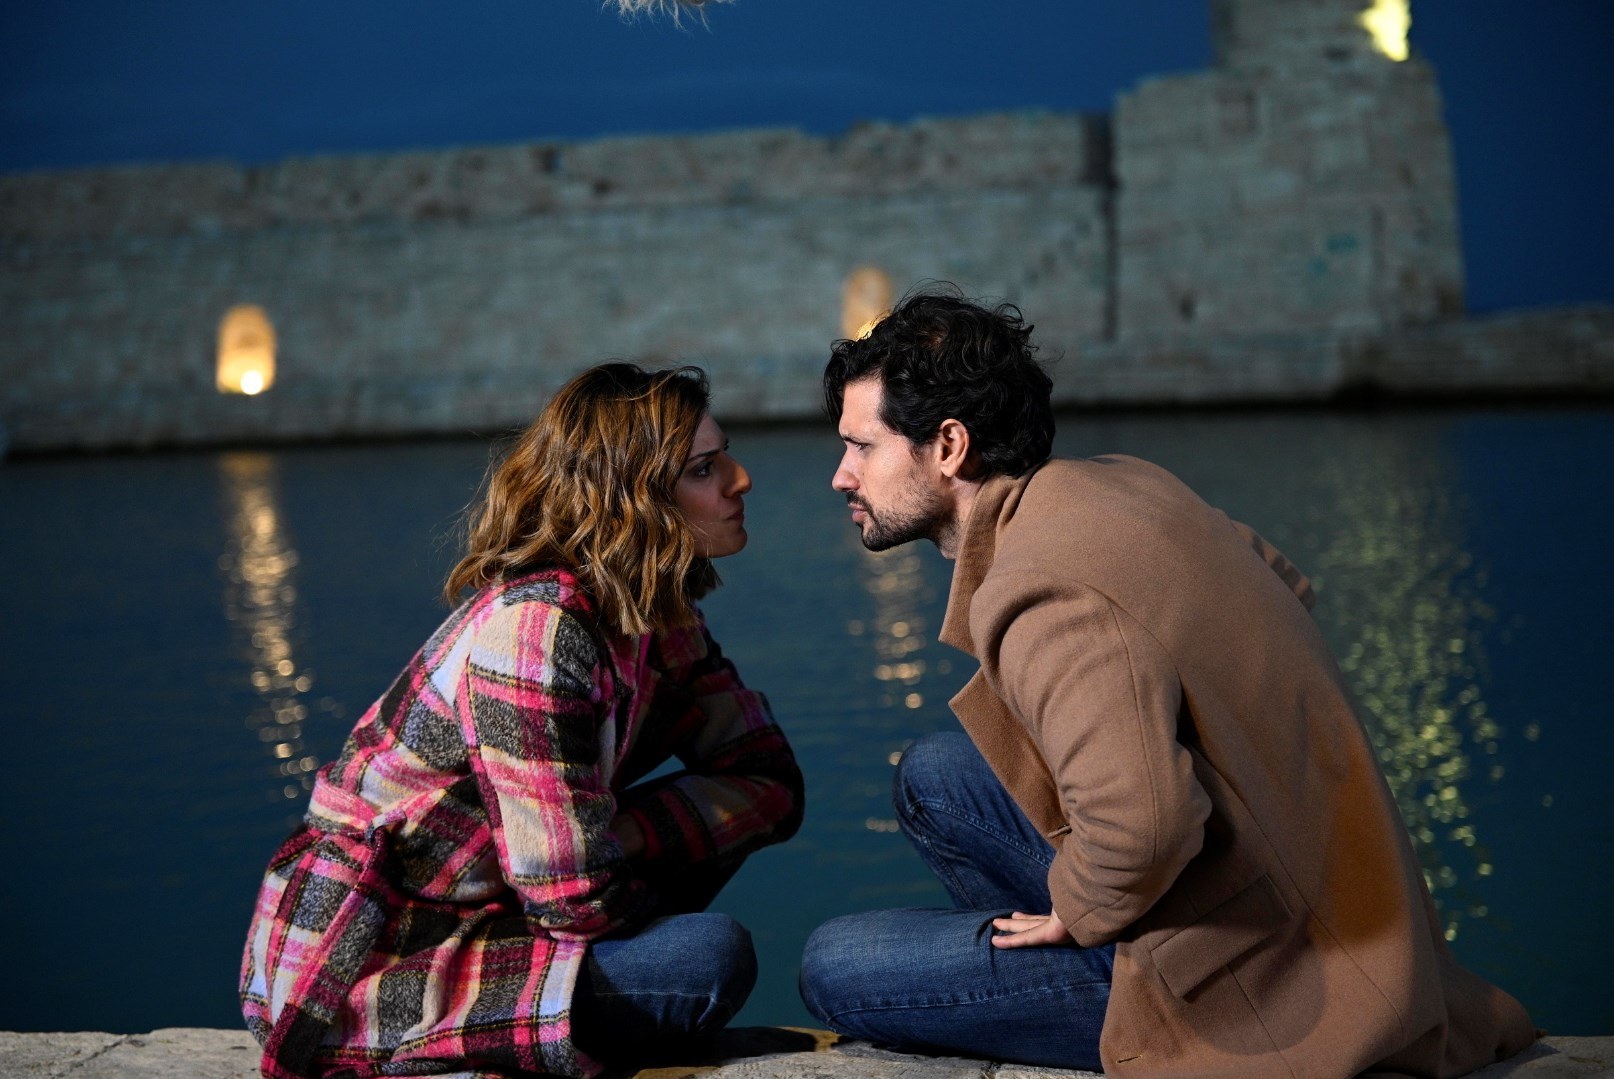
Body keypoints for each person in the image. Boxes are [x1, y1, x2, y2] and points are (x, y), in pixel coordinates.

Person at [798, 291, 1535, 1078]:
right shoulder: (1127, 483)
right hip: (1332, 904)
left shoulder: (1040, 589)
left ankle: (1105, 998)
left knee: (835, 963)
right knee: (936, 777)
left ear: (949, 445)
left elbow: (1147, 829)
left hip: (1256, 984)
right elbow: (1285, 584)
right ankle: (1049, 972)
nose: (842, 476)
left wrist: (1079, 907)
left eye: (861, 447)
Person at [241, 363, 803, 1079]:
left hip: (503, 915)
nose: (739, 479)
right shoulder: (536, 630)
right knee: (707, 958)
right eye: (703, 468)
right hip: (365, 961)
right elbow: (573, 901)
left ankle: (568, 1011)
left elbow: (770, 780)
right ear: (629, 498)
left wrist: (618, 837)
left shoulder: (654, 613)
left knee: (691, 935)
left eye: (724, 456)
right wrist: (601, 862)